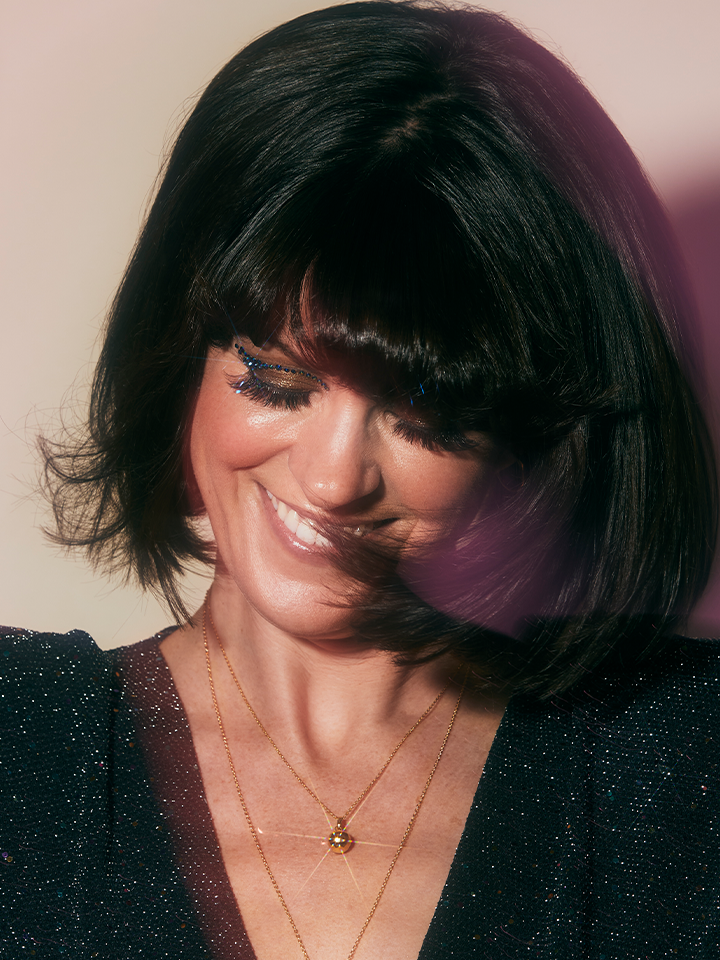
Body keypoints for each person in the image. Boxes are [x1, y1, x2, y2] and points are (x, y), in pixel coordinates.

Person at [2, 2, 718, 957]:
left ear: (537, 438)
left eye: (426, 415)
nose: (335, 479)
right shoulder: (20, 740)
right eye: (274, 379)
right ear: (179, 360)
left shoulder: (679, 760)